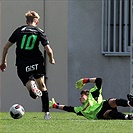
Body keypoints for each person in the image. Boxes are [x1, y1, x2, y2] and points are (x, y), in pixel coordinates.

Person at [0, 10, 55, 120]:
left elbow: (6, 47)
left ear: (26, 21)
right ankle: (47, 114)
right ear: (37, 21)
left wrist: (3, 62)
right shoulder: (39, 31)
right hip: (37, 61)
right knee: (43, 86)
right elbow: (48, 50)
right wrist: (51, 59)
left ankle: (32, 87)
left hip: (22, 62)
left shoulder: (19, 30)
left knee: (30, 85)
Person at [49, 77, 133, 120]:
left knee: (112, 101)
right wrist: (55, 105)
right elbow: (68, 108)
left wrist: (84, 80)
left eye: (81, 96)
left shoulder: (93, 94)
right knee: (108, 113)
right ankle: (127, 117)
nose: (79, 98)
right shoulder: (81, 110)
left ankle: (130, 103)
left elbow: (99, 80)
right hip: (99, 114)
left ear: (86, 94)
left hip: (103, 105)